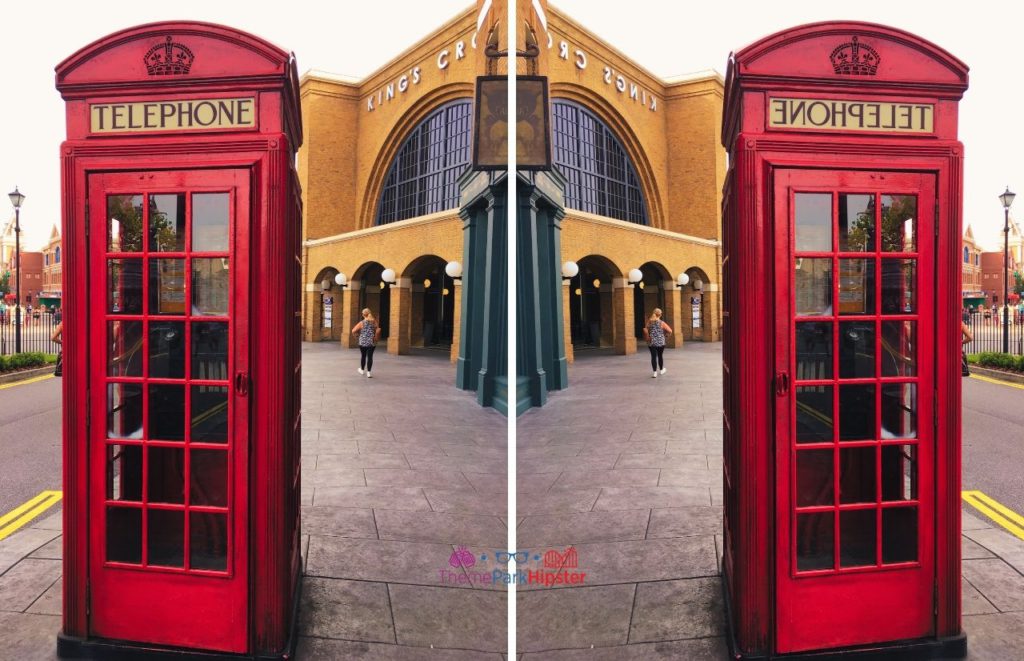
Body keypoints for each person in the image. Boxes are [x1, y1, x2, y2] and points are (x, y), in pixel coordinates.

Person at [642, 308, 672, 378]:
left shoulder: (649, 322)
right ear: (660, 315)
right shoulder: (662, 323)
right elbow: (670, 331)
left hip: (651, 342)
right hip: (661, 342)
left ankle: (654, 373)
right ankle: (661, 370)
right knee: (660, 356)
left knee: (653, 357)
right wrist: (666, 335)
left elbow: (646, 329)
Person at [351, 308, 381, 378]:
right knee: (370, 357)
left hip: (363, 342)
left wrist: (357, 336)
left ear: (363, 315)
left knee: (363, 356)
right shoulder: (374, 322)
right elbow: (377, 329)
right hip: (372, 342)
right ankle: (369, 373)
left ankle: (361, 370)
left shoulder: (362, 323)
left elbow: (353, 331)